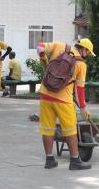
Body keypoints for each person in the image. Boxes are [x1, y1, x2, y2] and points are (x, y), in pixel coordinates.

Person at [37, 38, 95, 170]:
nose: (88, 56)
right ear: (84, 49)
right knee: (70, 130)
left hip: (45, 95)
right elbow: (79, 89)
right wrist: (83, 108)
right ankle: (75, 161)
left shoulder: (60, 46)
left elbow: (40, 47)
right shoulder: (81, 65)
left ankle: (49, 160)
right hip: (63, 100)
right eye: (89, 53)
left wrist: (44, 59)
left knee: (47, 128)